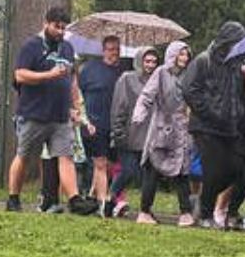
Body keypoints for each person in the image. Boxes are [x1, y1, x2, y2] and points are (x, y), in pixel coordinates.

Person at [6, 6, 97, 215]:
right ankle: (13, 197)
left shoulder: (66, 48)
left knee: (65, 156)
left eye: (64, 28)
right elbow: (20, 75)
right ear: (46, 23)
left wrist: (76, 108)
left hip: (60, 116)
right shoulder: (32, 46)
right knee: (24, 156)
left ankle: (74, 200)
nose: (60, 32)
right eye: (57, 27)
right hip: (33, 114)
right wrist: (48, 75)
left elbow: (72, 80)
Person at [183, 21, 245, 230]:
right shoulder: (204, 60)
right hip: (205, 126)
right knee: (213, 171)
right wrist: (209, 113)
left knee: (237, 169)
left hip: (229, 127)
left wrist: (238, 114)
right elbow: (189, 90)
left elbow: (239, 95)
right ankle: (205, 214)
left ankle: (202, 201)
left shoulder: (236, 66)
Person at [132, 41, 194, 226]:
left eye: (186, 55)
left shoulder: (188, 75)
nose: (184, 58)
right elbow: (146, 96)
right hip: (162, 126)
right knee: (153, 167)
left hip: (182, 127)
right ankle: (144, 211)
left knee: (182, 170)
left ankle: (185, 213)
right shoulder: (160, 73)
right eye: (181, 54)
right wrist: (139, 115)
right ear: (172, 55)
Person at [105, 46, 159, 217]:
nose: (150, 65)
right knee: (129, 170)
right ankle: (110, 198)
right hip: (128, 134)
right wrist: (118, 132)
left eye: (154, 62)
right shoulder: (127, 79)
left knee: (149, 176)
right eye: (147, 61)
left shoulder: (158, 81)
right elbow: (118, 107)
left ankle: (145, 209)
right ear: (140, 61)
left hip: (149, 136)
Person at [78, 35, 125, 205]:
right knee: (101, 163)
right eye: (111, 49)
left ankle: (91, 195)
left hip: (114, 124)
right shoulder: (90, 69)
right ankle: (103, 202)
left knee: (111, 164)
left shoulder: (123, 72)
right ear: (103, 50)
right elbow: (78, 95)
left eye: (118, 50)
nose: (115, 53)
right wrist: (82, 118)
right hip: (93, 124)